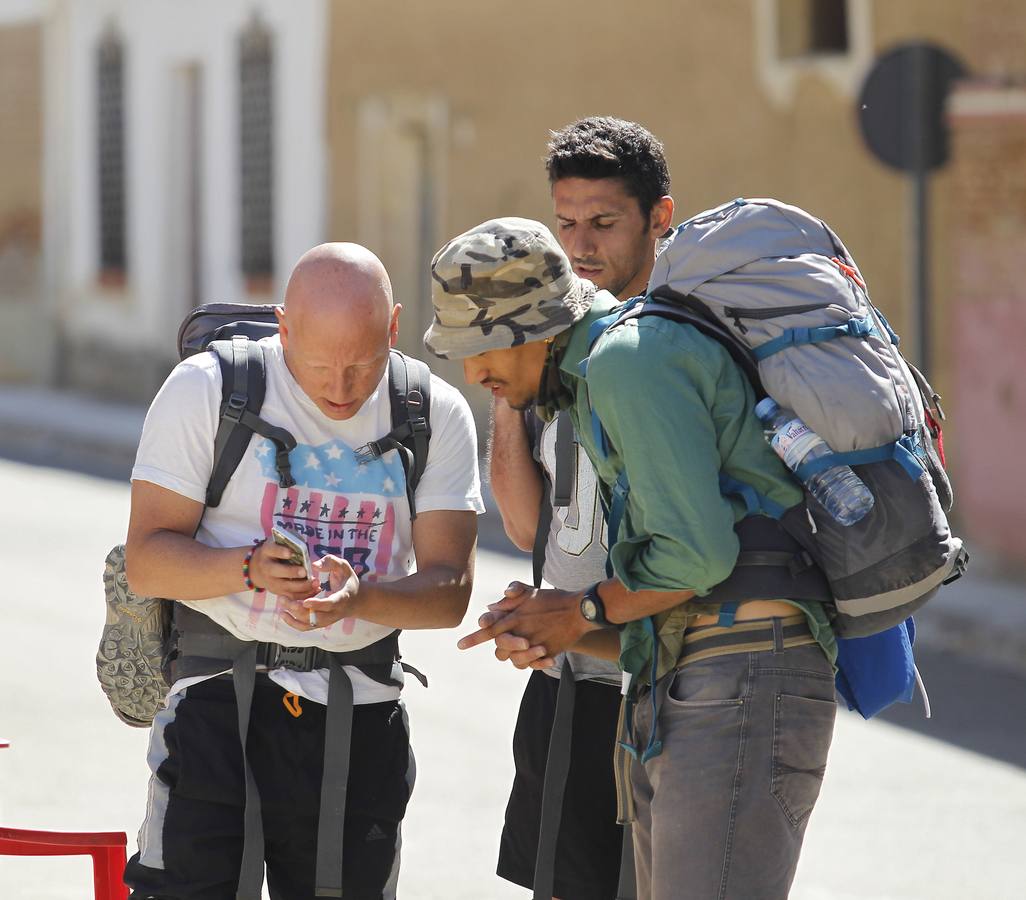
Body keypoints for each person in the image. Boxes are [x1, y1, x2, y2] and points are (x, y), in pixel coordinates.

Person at [424, 217, 838, 900]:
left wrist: (580, 609)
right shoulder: (597, 374)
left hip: (742, 672)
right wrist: (566, 620)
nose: (473, 373)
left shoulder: (627, 362)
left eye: (482, 348)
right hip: (696, 672)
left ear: (536, 328)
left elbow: (696, 556)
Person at [124, 243, 482, 898]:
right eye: (318, 364)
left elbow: (449, 592)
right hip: (214, 704)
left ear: (395, 327)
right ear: (284, 327)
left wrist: (358, 599)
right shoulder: (208, 390)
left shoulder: (433, 414)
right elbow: (147, 561)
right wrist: (249, 568)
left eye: (364, 364)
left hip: (359, 713)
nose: (341, 390)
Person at [489, 117, 673, 900]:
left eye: (604, 222)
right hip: (563, 691)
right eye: (567, 224)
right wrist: (510, 376)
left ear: (659, 217)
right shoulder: (556, 345)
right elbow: (530, 528)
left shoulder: (676, 350)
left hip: (660, 692)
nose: (584, 244)